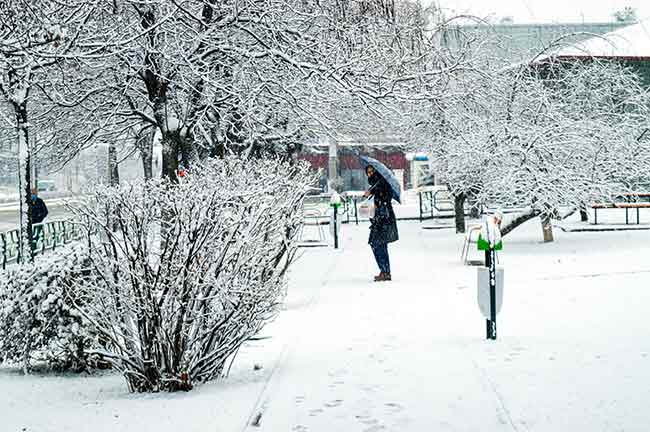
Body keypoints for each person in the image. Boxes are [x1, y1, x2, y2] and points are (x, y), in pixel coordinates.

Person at [363, 165, 399, 282]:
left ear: (376, 171)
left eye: (371, 171)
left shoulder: (382, 184)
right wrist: (370, 193)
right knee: (378, 245)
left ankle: (385, 271)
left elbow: (385, 198)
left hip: (384, 220)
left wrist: (377, 200)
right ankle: (385, 271)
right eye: (368, 172)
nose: (370, 174)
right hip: (379, 220)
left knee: (378, 244)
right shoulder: (376, 184)